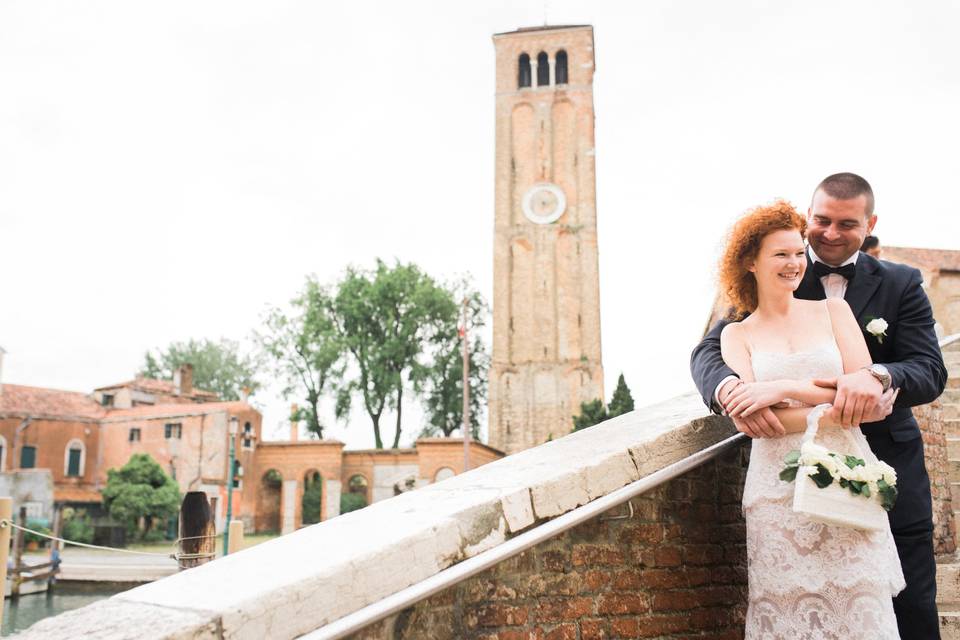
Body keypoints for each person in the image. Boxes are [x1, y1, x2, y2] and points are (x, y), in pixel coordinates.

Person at [691, 173, 948, 639]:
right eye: (821, 220)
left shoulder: (901, 283)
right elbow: (710, 350)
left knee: (908, 600)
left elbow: (930, 369)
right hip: (786, 474)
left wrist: (878, 376)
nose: (829, 233)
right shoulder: (779, 271)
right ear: (809, 217)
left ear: (870, 223)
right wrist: (728, 389)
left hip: (886, 458)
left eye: (846, 224)